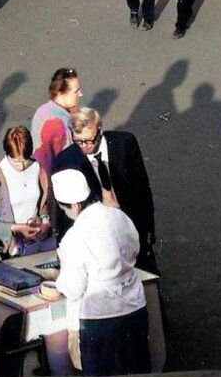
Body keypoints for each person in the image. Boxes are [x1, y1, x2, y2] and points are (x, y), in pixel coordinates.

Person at [42, 169, 151, 376]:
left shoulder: (75, 237)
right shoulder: (119, 216)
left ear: (74, 205)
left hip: (101, 319)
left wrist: (59, 282)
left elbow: (74, 289)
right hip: (135, 307)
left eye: (65, 209)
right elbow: (134, 248)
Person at [53, 107, 157, 273]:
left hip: (131, 226)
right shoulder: (66, 160)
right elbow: (64, 209)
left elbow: (142, 189)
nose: (84, 146)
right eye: (78, 141)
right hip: (98, 239)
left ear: (99, 131)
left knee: (145, 276)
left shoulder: (125, 144)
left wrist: (148, 229)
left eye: (89, 140)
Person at [0, 125, 52, 256]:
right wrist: (18, 228)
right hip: (10, 248)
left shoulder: (38, 168)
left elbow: (44, 205)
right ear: (7, 153)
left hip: (35, 243)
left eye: (25, 161)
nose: (22, 166)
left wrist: (44, 221)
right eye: (16, 162)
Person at [32, 67, 84, 176]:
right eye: (76, 91)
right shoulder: (64, 123)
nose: (80, 94)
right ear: (60, 93)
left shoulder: (42, 110)